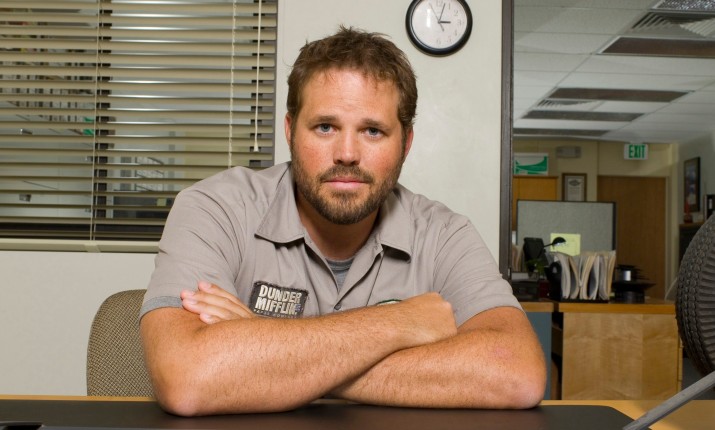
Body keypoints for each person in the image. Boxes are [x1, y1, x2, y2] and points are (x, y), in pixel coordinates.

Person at [140, 26, 546, 416]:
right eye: (325, 127)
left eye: (373, 131)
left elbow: (517, 373)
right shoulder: (215, 208)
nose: (347, 153)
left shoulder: (443, 235)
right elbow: (186, 378)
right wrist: (400, 323)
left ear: (406, 143)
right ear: (290, 131)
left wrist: (269, 351)